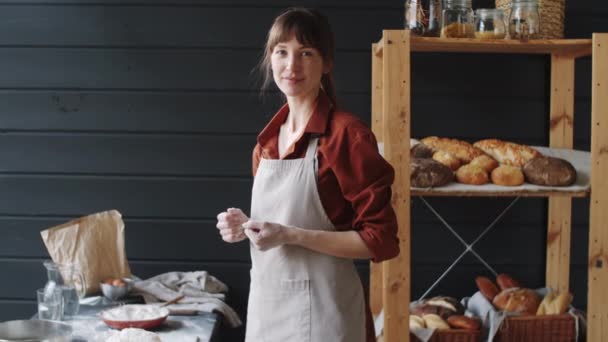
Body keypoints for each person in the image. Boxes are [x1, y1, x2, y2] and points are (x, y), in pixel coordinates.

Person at [216, 7, 399, 342]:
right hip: (267, 314)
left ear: (326, 63)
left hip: (327, 317)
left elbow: (381, 240)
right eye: (281, 52)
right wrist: (245, 225)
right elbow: (277, 227)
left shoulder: (347, 136)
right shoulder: (267, 142)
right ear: (270, 58)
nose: (291, 66)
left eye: (306, 53)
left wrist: (291, 235)